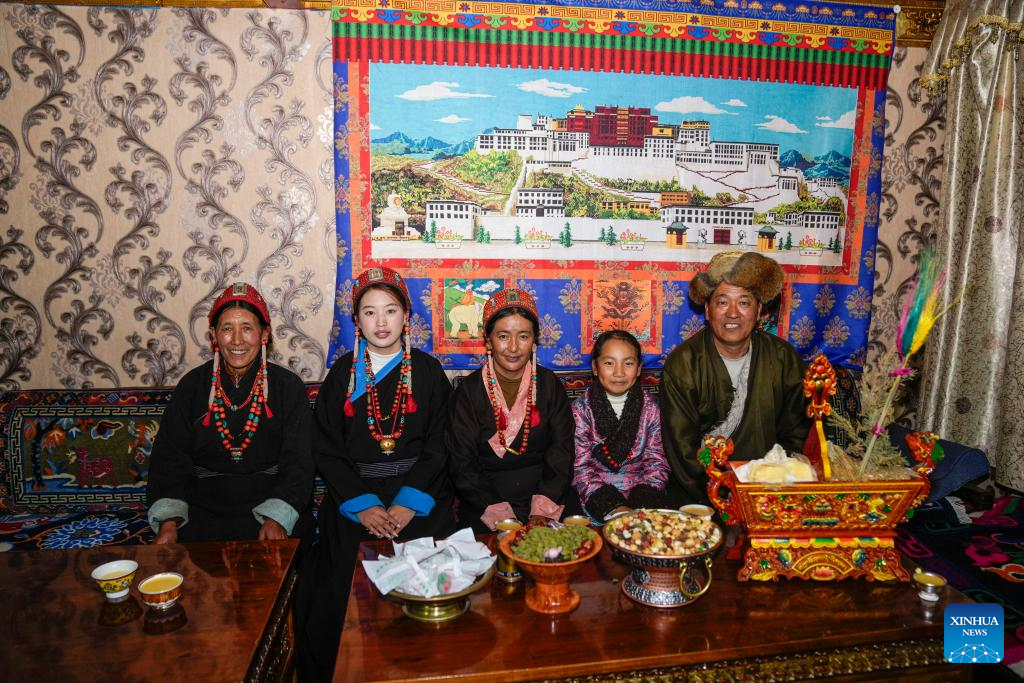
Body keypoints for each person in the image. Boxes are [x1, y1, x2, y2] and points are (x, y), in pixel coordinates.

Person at [296, 266, 454, 682]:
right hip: (355, 497)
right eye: (369, 312)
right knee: (338, 587)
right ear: (357, 321)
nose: (381, 322)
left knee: (431, 577)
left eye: (390, 310)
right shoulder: (341, 376)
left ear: (407, 316)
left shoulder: (428, 372)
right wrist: (363, 505)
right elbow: (326, 449)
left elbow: (440, 446)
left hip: (419, 496)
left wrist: (409, 503)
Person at [146, 282, 314, 543]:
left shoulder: (287, 387)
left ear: (264, 334)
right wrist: (169, 521)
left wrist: (278, 517)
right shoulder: (191, 387)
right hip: (203, 512)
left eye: (247, 328)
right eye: (227, 329)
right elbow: (169, 459)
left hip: (270, 509)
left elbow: (300, 463)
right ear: (214, 335)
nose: (237, 340)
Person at [661, 252, 810, 504]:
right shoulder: (683, 364)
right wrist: (726, 497)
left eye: (743, 302)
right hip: (704, 492)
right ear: (707, 310)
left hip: (769, 489)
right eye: (722, 302)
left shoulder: (783, 359)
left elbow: (797, 434)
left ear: (759, 310)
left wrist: (773, 483)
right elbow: (683, 452)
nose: (733, 313)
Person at [447, 288, 578, 532]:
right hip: (484, 500)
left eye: (523, 336)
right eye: (503, 336)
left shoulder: (550, 386)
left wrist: (542, 509)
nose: (514, 347)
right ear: (488, 340)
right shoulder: (468, 392)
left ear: (534, 340)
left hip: (548, 495)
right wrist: (500, 514)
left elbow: (562, 452)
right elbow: (462, 463)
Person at [572, 330, 670, 522]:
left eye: (628, 363)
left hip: (644, 499)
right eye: (609, 363)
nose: (619, 372)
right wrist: (615, 508)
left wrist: (639, 507)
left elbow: (657, 462)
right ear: (595, 367)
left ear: (639, 369)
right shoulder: (580, 410)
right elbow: (581, 469)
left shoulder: (651, 408)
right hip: (595, 498)